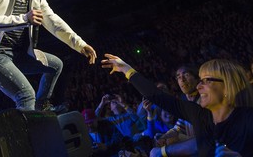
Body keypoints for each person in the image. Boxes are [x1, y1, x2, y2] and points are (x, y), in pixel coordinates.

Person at [101, 54, 253, 156]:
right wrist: (126, 69)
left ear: (227, 86)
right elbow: (156, 95)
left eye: (207, 80)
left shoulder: (248, 120)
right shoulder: (199, 115)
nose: (199, 86)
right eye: (200, 80)